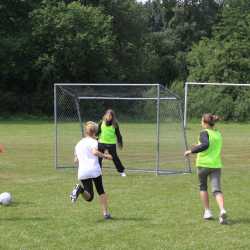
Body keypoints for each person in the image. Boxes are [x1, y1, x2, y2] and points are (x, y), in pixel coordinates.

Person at [184, 113, 227, 224]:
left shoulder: (204, 132)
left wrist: (191, 151)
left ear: (205, 123)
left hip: (203, 165)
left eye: (201, 121)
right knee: (217, 189)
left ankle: (207, 211)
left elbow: (205, 145)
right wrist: (197, 145)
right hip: (216, 165)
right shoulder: (218, 134)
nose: (200, 123)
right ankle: (222, 210)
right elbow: (207, 145)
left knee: (203, 187)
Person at [70, 121, 113, 220]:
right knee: (101, 191)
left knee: (89, 197)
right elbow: (94, 152)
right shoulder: (94, 142)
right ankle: (106, 214)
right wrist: (106, 156)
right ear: (95, 133)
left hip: (83, 172)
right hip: (94, 170)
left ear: (86, 132)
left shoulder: (78, 144)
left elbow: (75, 160)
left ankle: (80, 189)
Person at [96, 109, 126, 177]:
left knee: (115, 158)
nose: (108, 117)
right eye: (107, 115)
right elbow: (98, 132)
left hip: (111, 144)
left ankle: (121, 171)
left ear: (112, 117)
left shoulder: (115, 124)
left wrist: (120, 142)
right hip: (101, 143)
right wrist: (96, 138)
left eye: (110, 116)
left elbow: (118, 134)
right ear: (105, 115)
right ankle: (98, 172)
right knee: (99, 158)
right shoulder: (101, 122)